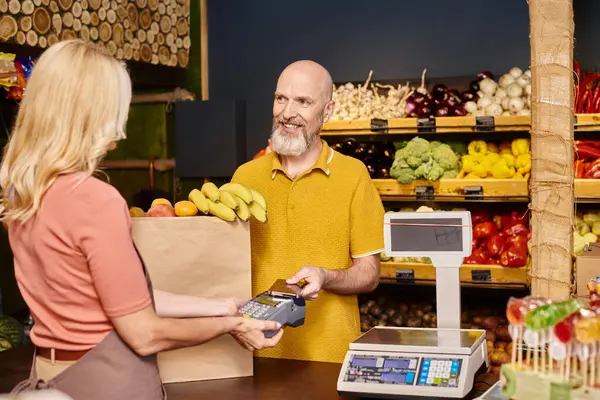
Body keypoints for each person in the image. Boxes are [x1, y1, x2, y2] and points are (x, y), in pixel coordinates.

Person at [1, 40, 282, 400]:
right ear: (87, 116)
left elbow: (121, 301)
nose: (118, 137)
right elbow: (142, 331)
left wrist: (224, 305)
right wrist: (231, 325)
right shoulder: (94, 199)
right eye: (113, 116)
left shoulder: (22, 194)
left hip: (50, 375)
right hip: (105, 382)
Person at [231, 60, 385, 363]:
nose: (287, 113)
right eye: (280, 99)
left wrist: (325, 276)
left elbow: (369, 274)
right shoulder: (244, 178)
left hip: (330, 361)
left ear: (326, 111)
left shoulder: (353, 175)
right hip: (254, 358)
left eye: (303, 102)